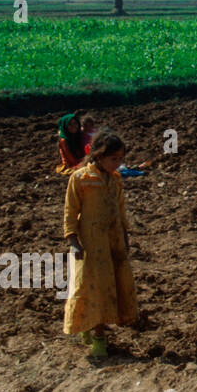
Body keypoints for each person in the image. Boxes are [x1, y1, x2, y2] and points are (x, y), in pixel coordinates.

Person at [63, 130, 138, 357]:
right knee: (91, 288)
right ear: (98, 155)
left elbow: (120, 210)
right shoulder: (80, 179)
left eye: (120, 159)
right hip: (91, 244)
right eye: (114, 159)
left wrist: (124, 237)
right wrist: (73, 241)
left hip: (112, 241)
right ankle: (97, 337)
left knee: (110, 286)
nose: (118, 164)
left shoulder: (115, 180)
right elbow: (70, 211)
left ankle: (94, 329)